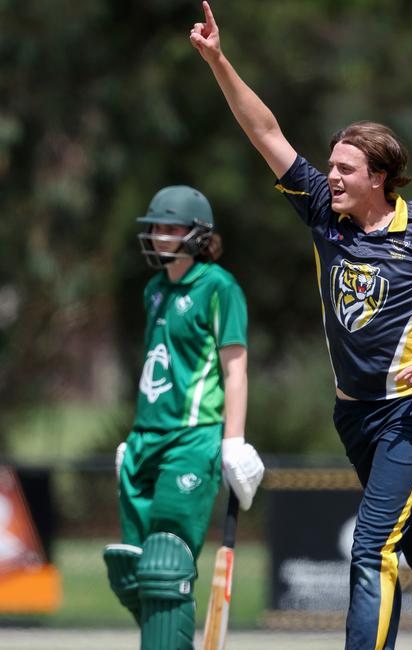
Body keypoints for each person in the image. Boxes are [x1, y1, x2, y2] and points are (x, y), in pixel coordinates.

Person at [189, 4, 412, 650]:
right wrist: (217, 61)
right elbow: (263, 130)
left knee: (372, 545)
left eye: (346, 169)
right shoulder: (325, 213)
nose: (333, 177)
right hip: (354, 416)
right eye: (332, 167)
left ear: (379, 177)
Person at [103, 184, 265, 650]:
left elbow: (235, 368)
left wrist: (232, 441)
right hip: (143, 439)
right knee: (132, 568)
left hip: (192, 440)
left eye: (171, 228)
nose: (159, 236)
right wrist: (134, 438)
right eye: (155, 228)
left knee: (165, 562)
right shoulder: (155, 290)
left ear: (197, 234)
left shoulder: (220, 287)